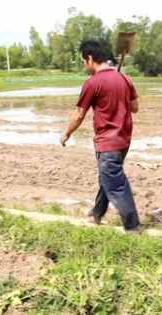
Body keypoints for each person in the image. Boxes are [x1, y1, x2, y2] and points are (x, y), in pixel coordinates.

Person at [60, 40, 142, 233]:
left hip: (108, 142)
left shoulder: (92, 83)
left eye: (83, 62)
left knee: (116, 183)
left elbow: (79, 114)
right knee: (107, 177)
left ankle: (133, 226)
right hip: (123, 141)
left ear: (90, 58)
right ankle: (97, 213)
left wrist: (66, 133)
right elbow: (135, 108)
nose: (84, 66)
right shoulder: (124, 79)